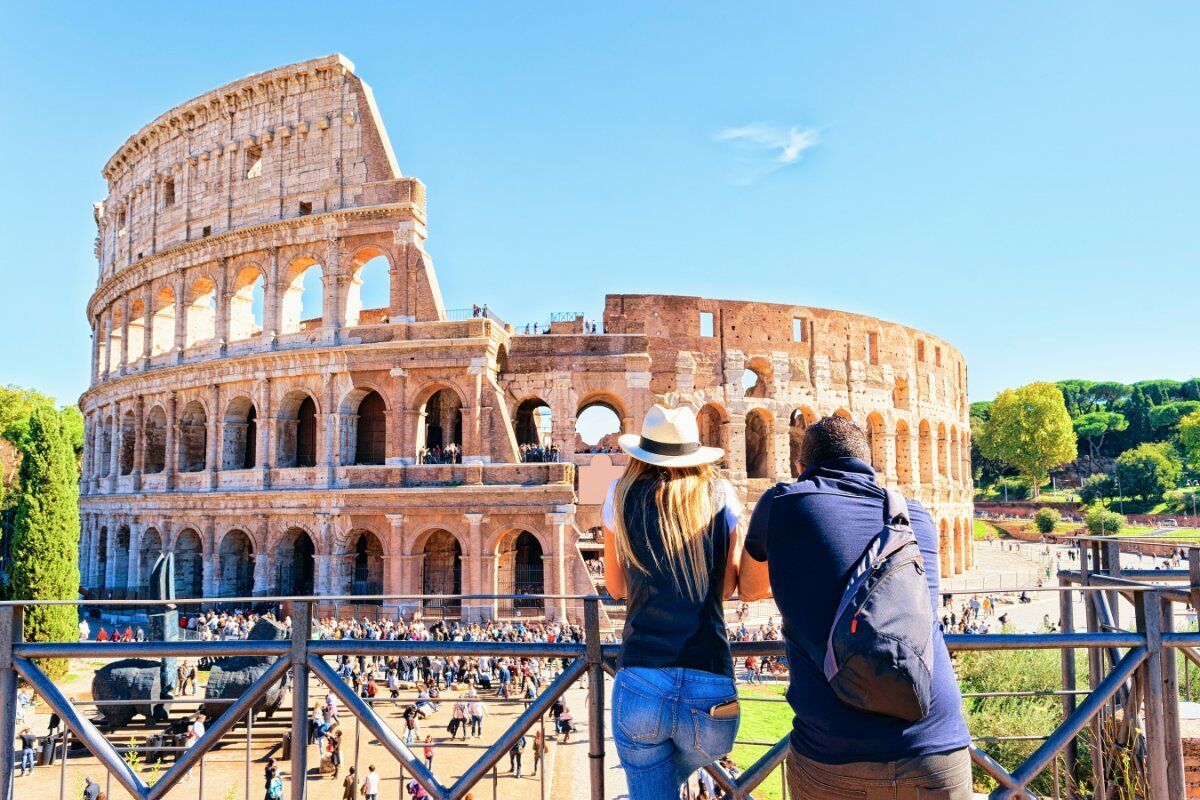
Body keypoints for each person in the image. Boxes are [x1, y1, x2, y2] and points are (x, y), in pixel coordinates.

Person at [741, 415, 971, 799]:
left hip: (835, 751)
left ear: (801, 467)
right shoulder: (917, 516)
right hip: (938, 744)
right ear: (871, 462)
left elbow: (749, 588)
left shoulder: (782, 503)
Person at [603, 405, 768, 800]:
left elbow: (614, 587)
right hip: (710, 687)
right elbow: (727, 588)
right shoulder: (720, 492)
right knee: (665, 776)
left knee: (651, 782)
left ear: (643, 453)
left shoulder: (620, 493)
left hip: (641, 680)